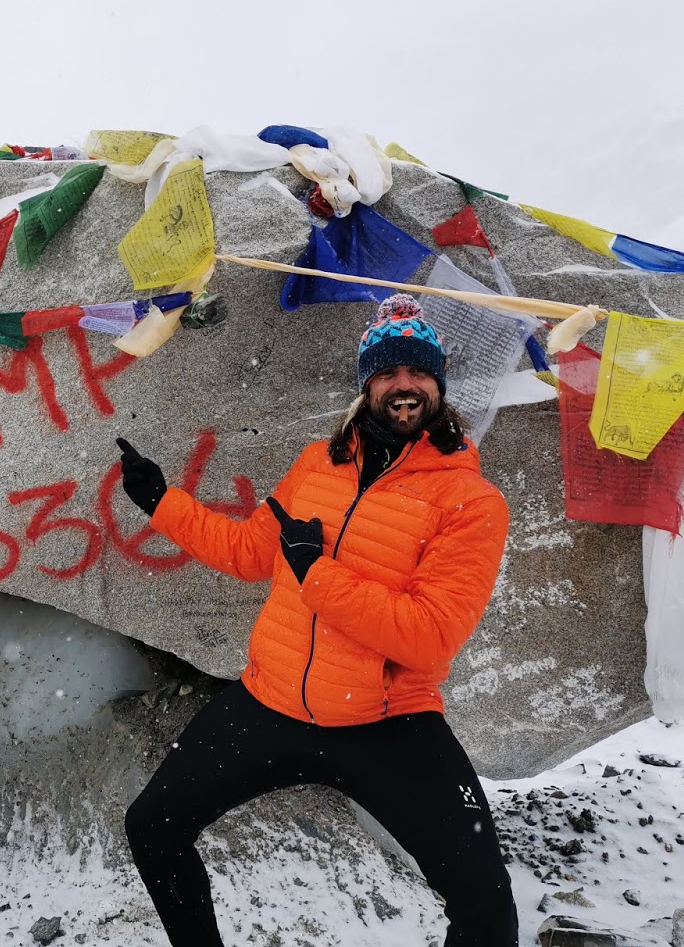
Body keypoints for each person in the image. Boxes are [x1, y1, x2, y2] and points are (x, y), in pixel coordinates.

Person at [116, 293, 518, 947]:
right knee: (152, 827)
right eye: (388, 372)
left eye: (419, 371)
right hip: (269, 702)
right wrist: (162, 502)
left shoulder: (471, 501)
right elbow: (250, 553)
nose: (405, 385)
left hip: (385, 723)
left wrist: (318, 575)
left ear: (439, 385)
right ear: (368, 384)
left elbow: (429, 636)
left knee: (487, 907)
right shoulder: (316, 464)